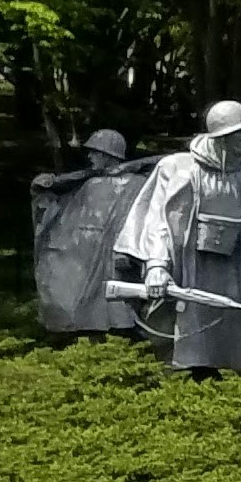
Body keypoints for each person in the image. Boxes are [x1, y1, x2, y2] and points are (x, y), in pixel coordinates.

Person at [113, 101, 241, 376]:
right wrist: (156, 266)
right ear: (222, 135)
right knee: (193, 329)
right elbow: (158, 221)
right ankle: (196, 372)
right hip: (191, 268)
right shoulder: (177, 170)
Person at [31, 128, 149, 339]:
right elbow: (66, 213)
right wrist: (44, 190)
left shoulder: (137, 184)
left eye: (95, 152)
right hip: (87, 250)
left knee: (120, 298)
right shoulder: (89, 183)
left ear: (107, 154)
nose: (90, 157)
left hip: (123, 250)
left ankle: (124, 330)